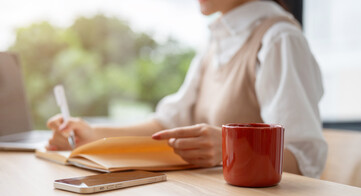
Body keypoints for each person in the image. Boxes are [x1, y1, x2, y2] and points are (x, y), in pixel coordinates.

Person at [47, 0, 327, 178]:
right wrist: (92, 136)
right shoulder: (216, 41)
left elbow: (305, 159)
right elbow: (168, 123)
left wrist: (233, 148)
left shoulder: (280, 40)